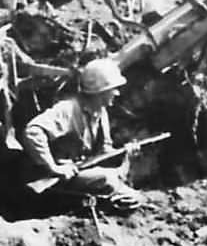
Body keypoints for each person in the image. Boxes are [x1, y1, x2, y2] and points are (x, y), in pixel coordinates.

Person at [21, 56, 142, 211]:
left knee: (132, 195)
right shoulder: (68, 109)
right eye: (113, 89)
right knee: (108, 178)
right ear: (101, 91)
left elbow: (104, 153)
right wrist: (53, 167)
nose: (117, 93)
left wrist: (126, 156)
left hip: (81, 171)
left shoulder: (101, 113)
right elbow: (33, 131)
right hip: (61, 177)